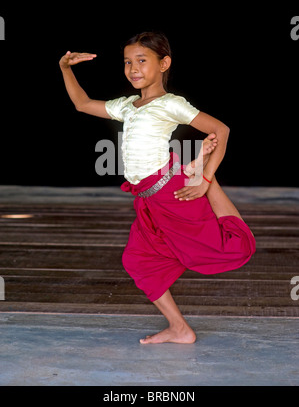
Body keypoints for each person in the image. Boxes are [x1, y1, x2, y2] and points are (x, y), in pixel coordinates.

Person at [59, 31, 256, 345]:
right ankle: (179, 328)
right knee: (136, 261)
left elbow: (221, 129)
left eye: (141, 60)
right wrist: (66, 68)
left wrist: (205, 180)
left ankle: (200, 171)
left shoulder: (170, 104)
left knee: (228, 247)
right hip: (147, 200)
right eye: (127, 62)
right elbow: (82, 104)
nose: (133, 68)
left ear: (164, 63)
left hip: (171, 192)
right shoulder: (127, 106)